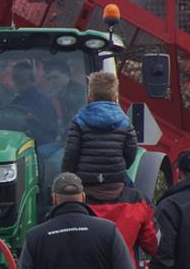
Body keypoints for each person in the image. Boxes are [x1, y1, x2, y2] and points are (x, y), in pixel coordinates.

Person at [61, 71, 137, 203]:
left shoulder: (79, 120)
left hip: (86, 182)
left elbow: (71, 153)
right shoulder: (124, 121)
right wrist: (121, 166)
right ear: (115, 96)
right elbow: (131, 151)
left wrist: (67, 175)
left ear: (90, 96)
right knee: (134, 192)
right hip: (115, 180)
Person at [8, 61, 59, 147]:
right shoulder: (16, 101)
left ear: (31, 79)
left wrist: (30, 120)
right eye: (15, 77)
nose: (16, 81)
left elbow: (50, 131)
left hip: (39, 147)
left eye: (21, 78)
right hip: (16, 144)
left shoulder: (42, 101)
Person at [44, 57, 87, 129]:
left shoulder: (77, 93)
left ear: (67, 75)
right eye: (49, 79)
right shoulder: (58, 92)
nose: (52, 82)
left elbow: (78, 120)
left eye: (55, 77)